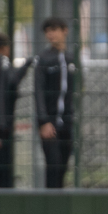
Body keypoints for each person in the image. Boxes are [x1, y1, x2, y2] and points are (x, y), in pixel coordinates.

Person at [0, 32, 33, 189]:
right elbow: (11, 81)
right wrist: (27, 64)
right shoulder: (2, 61)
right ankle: (3, 194)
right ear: (3, 48)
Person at [35, 17, 77, 189]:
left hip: (68, 123)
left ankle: (60, 211)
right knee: (53, 165)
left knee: (63, 167)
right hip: (50, 124)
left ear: (64, 30)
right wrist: (44, 121)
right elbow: (38, 92)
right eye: (47, 31)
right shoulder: (44, 59)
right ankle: (50, 211)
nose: (50, 34)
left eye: (54, 29)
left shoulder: (72, 59)